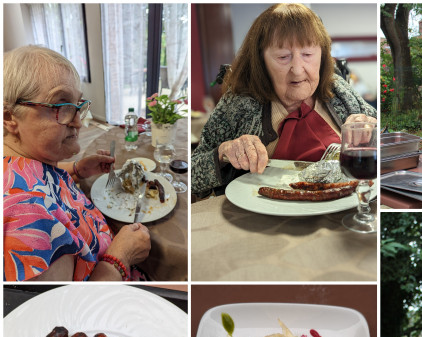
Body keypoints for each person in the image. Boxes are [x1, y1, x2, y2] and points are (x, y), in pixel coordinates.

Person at [191, 3, 377, 198]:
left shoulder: (338, 89)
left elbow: (381, 139)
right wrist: (223, 152)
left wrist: (369, 130)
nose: (297, 69)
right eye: (283, 57)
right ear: (261, 61)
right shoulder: (238, 103)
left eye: (307, 54)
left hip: (343, 211)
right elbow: (193, 175)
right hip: (260, 219)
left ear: (322, 56)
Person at [3, 46, 151, 281]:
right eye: (62, 106)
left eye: (78, 106)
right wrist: (121, 257)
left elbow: (35, 177)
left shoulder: (17, 163)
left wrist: (77, 169)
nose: (79, 122)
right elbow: (65, 310)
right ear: (10, 117)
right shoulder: (28, 214)